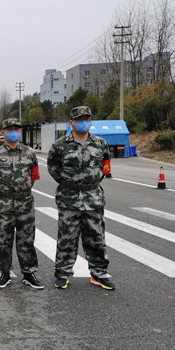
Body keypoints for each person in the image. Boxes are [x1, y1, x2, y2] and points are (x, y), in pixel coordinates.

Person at [47, 106, 114, 290]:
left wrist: (90, 185)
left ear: (91, 121)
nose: (84, 122)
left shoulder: (100, 143)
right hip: (69, 198)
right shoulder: (60, 145)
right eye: (79, 119)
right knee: (67, 237)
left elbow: (105, 168)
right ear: (72, 122)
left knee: (96, 237)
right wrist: (71, 185)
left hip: (93, 198)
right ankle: (63, 273)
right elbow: (53, 169)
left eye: (87, 119)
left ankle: (99, 273)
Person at [0, 118, 43, 290]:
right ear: (3, 132)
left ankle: (29, 273)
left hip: (25, 202)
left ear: (21, 132)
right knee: (3, 239)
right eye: (9, 129)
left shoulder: (30, 153)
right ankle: (4, 273)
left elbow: (34, 175)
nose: (13, 132)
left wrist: (22, 191)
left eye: (16, 129)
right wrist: (5, 193)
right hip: (4, 203)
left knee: (27, 238)